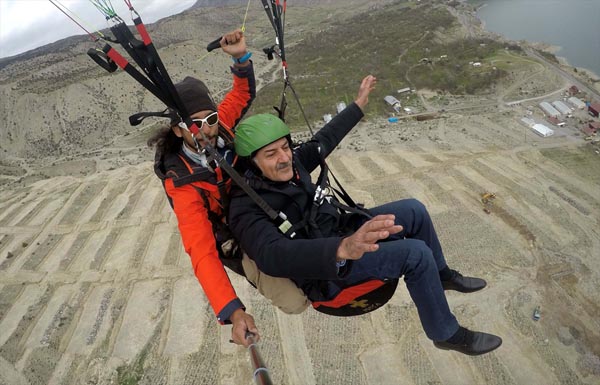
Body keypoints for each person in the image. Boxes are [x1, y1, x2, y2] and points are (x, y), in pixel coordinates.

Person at [228, 74, 503, 355]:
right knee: (415, 254)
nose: (284, 157)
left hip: (340, 231)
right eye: (271, 154)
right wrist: (340, 249)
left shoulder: (294, 164)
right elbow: (272, 256)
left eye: (285, 147)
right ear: (253, 161)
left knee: (414, 210)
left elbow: (324, 140)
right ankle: (446, 333)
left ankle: (442, 276)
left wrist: (358, 105)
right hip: (326, 273)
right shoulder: (246, 206)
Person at [147, 29, 259, 347]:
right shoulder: (180, 182)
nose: (204, 129)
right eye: (191, 124)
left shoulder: (218, 125)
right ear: (177, 129)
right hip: (230, 229)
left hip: (249, 203)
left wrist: (240, 58)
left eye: (209, 117)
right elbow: (201, 250)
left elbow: (241, 95)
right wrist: (232, 310)